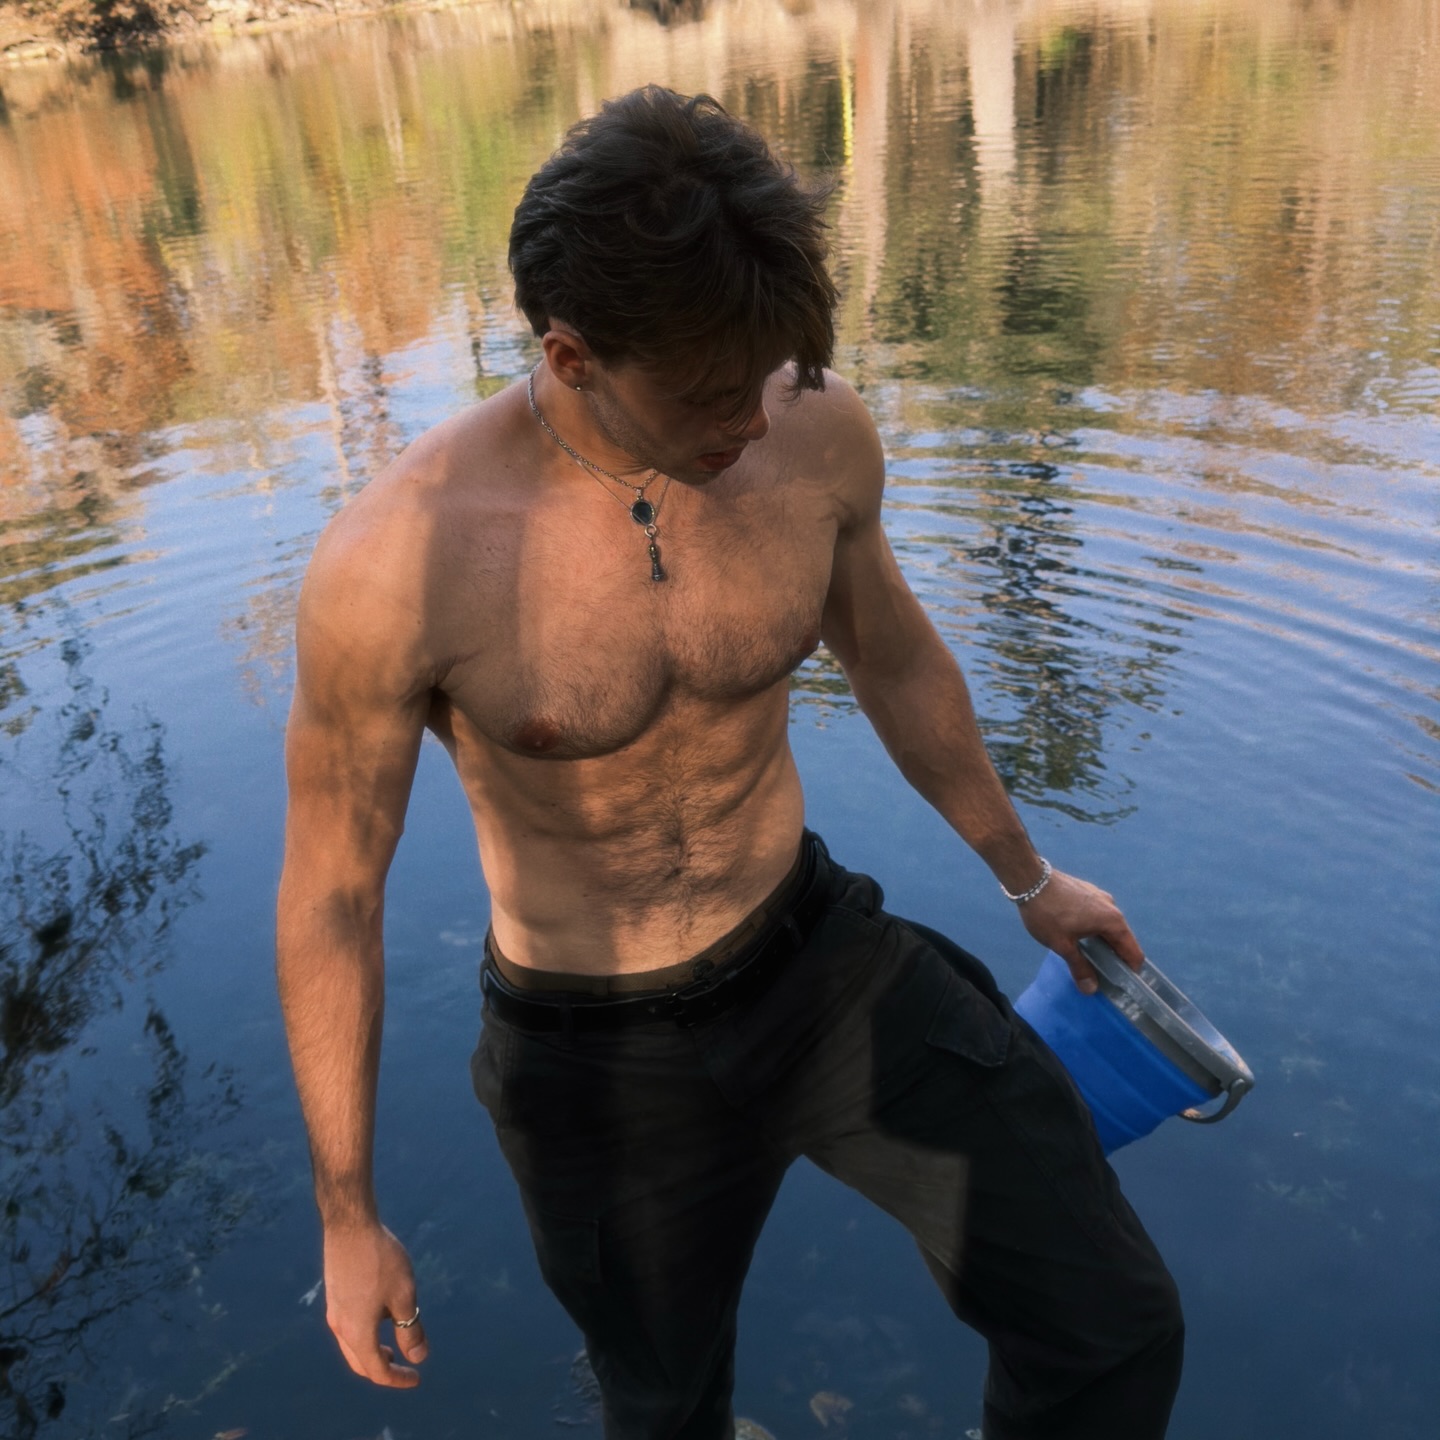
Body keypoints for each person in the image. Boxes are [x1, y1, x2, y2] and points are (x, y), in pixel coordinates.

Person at [276, 85, 1183, 1440]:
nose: (751, 421)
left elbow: (895, 662)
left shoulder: (811, 428)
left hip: (815, 958)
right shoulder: (399, 561)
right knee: (666, 1407)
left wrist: (1029, 879)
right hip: (593, 1050)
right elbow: (333, 895)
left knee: (1112, 1322)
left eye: (764, 376)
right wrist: (347, 1213)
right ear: (574, 355)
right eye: (708, 393)